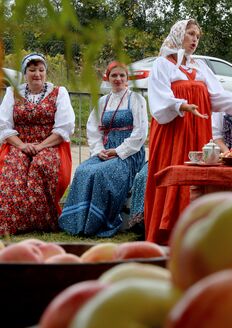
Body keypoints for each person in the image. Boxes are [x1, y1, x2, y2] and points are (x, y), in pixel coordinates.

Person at [145, 19, 232, 244]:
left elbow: (216, 96)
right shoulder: (163, 64)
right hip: (173, 131)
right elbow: (158, 99)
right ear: (178, 35)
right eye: (190, 34)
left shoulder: (200, 67)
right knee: (176, 176)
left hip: (198, 130)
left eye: (197, 36)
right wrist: (180, 105)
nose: (195, 39)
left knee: (200, 178)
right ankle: (168, 235)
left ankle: (198, 235)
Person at [58, 61, 147, 237]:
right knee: (83, 170)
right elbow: (93, 129)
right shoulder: (103, 102)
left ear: (127, 78)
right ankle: (78, 222)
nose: (118, 79)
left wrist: (119, 151)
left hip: (128, 154)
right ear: (107, 78)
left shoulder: (136, 99)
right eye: (114, 75)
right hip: (105, 151)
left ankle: (98, 222)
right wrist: (99, 150)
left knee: (101, 173)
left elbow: (140, 132)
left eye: (122, 75)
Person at [0, 53, 75, 235]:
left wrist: (40, 146)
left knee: (41, 165)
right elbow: (4, 125)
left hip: (50, 145)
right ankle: (13, 222)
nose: (37, 74)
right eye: (32, 70)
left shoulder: (59, 92)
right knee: (14, 169)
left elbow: (65, 127)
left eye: (41, 70)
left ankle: (42, 222)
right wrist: (23, 146)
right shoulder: (12, 93)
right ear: (24, 73)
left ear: (46, 73)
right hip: (19, 144)